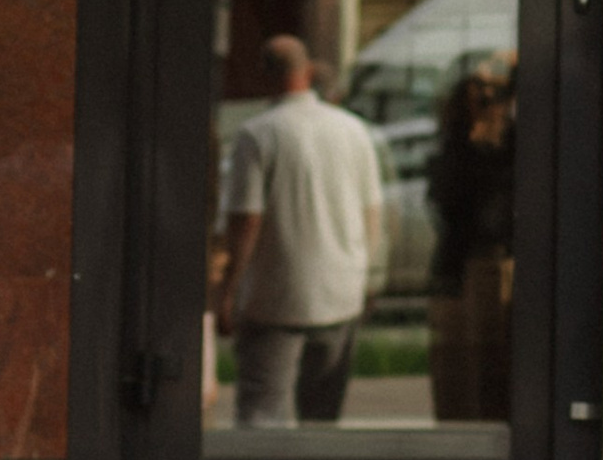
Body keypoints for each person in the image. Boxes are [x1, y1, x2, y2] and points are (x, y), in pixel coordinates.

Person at [217, 37, 387, 428]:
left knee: (263, 413)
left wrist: (228, 290)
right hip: (341, 290)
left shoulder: (256, 135)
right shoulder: (353, 130)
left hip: (276, 295)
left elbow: (246, 220)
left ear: (263, 76)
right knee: (322, 417)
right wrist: (367, 278)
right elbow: (372, 213)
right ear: (308, 71)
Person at [428, 57, 516, 423]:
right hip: (462, 265)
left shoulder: (513, 145)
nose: (485, 101)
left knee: (495, 365)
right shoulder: (455, 148)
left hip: (496, 261)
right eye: (476, 94)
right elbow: (450, 200)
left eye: (493, 93)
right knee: (458, 369)